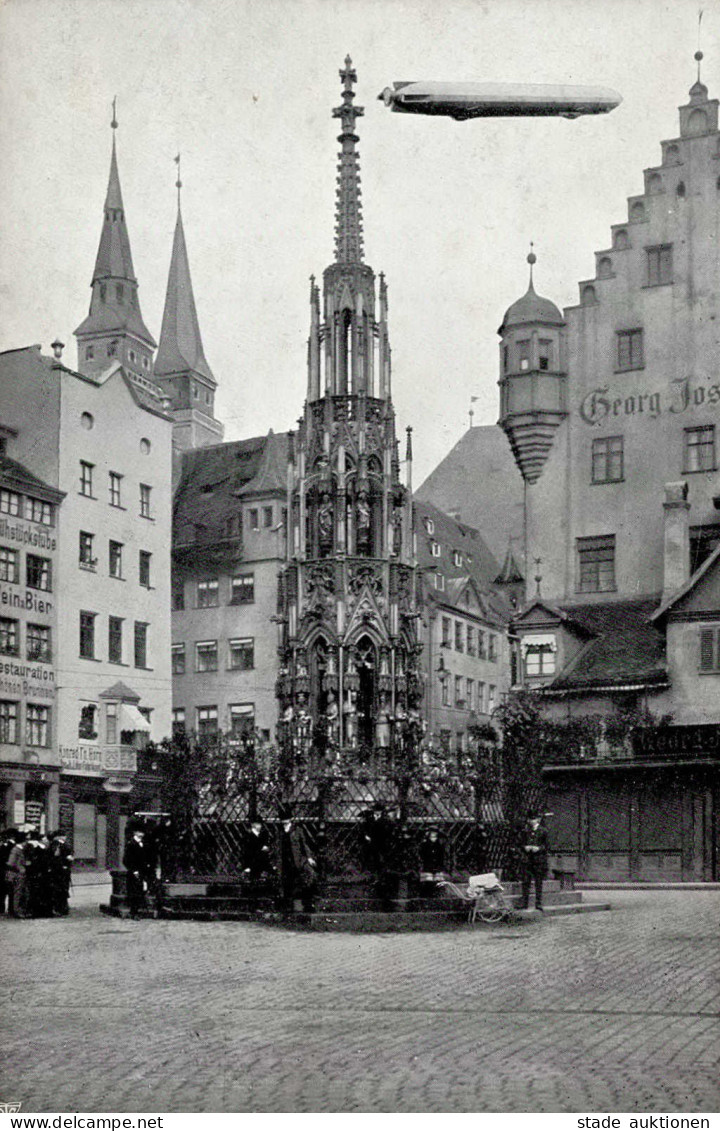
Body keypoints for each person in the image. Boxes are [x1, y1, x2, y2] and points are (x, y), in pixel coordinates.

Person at [279, 814, 316, 912]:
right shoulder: (280, 832)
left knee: (305, 881)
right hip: (286, 861)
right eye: (283, 819)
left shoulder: (297, 830)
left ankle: (307, 905)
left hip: (297, 860)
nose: (284, 821)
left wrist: (309, 857)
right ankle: (288, 907)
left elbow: (304, 844)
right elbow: (278, 847)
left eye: (286, 819)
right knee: (287, 884)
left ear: (290, 819)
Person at [521, 813, 549, 911]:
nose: (532, 821)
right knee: (526, 882)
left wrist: (539, 848)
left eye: (534, 819)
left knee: (538, 882)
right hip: (528, 860)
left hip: (539, 860)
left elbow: (547, 846)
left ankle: (538, 903)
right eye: (530, 819)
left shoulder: (544, 831)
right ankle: (524, 903)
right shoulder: (525, 831)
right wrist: (525, 847)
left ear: (538, 820)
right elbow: (520, 844)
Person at [123, 828, 151, 918]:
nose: (142, 834)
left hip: (142, 871)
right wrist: (134, 870)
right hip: (134, 872)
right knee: (134, 892)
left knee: (141, 891)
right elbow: (126, 860)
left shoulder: (143, 843)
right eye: (140, 832)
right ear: (135, 833)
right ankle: (134, 912)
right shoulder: (131, 844)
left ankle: (138, 911)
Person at [49, 832, 74, 916]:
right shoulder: (57, 844)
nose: (64, 837)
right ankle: (61, 907)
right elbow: (56, 857)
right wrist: (65, 862)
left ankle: (62, 907)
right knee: (61, 889)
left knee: (62, 889)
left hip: (62, 870)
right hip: (60, 870)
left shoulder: (59, 844)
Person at [5, 831, 27, 918]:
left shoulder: (19, 849)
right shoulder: (16, 850)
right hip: (17, 874)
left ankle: (17, 910)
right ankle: (16, 911)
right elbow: (11, 862)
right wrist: (20, 868)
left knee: (19, 892)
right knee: (17, 893)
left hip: (18, 873)